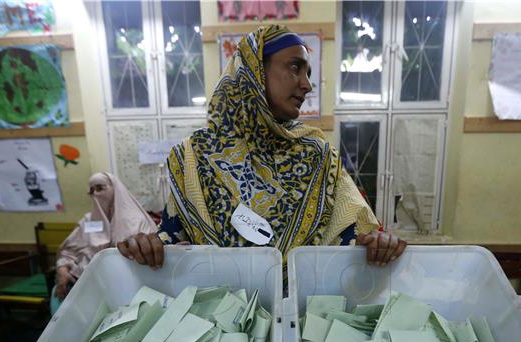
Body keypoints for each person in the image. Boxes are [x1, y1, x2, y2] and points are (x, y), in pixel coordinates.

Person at [117, 25, 406, 269]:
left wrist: (375, 244)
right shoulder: (194, 156)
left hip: (298, 318)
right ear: (254, 71)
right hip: (224, 323)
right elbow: (172, 233)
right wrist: (149, 244)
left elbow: (351, 236)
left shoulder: (319, 155)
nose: (307, 85)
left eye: (308, 73)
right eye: (295, 68)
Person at [55, 172, 157, 303]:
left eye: (100, 188)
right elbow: (68, 251)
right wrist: (62, 270)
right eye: (91, 190)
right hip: (86, 287)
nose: (95, 194)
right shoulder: (88, 221)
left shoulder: (136, 221)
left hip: (128, 289)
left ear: (114, 189)